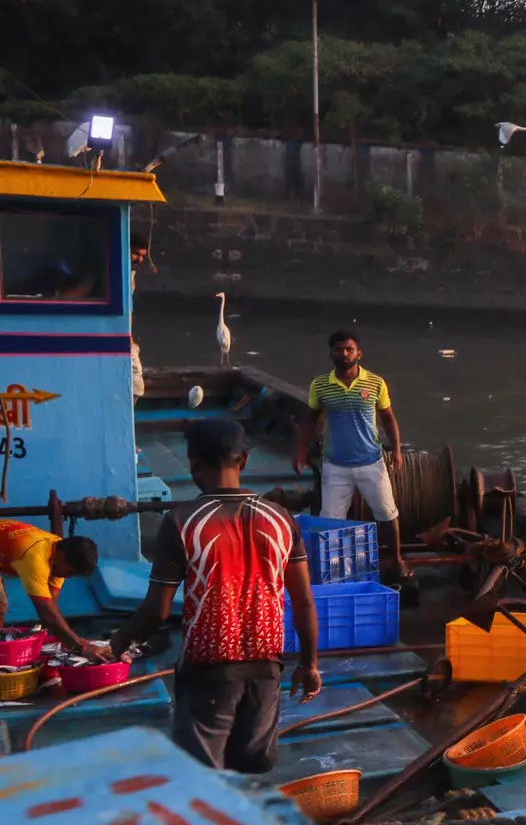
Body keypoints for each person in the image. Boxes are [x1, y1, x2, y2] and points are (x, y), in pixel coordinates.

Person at [113, 419, 322, 773]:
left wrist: (117, 643)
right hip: (266, 668)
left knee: (200, 777)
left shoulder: (182, 521)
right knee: (251, 771)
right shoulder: (282, 519)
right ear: (243, 461)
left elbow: (157, 611)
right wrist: (309, 664)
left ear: (194, 462)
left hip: (208, 672)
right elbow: (303, 602)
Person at [294, 329, 409, 585]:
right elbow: (310, 419)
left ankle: (397, 561)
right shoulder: (320, 385)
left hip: (371, 462)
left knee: (388, 513)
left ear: (359, 353)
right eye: (338, 349)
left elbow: (389, 418)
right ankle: (331, 570)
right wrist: (300, 449)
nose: (344, 353)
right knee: (331, 521)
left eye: (349, 349)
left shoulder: (376, 383)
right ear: (331, 352)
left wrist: (397, 450)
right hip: (335, 465)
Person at [0, 520, 109, 658]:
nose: (68, 577)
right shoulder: (35, 558)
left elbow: (51, 607)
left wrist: (72, 640)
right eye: (70, 572)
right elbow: (46, 612)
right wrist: (81, 646)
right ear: (62, 557)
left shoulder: (58, 550)